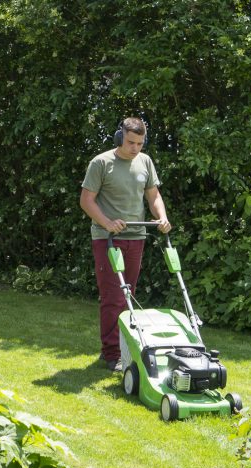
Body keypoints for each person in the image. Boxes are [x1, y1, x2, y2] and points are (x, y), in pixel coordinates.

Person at [80, 117, 172, 372]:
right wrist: (107, 222)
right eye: (130, 142)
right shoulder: (101, 163)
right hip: (107, 238)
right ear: (120, 137)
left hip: (137, 236)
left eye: (140, 143)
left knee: (128, 295)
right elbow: (87, 201)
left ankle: (122, 347)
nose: (135, 148)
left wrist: (161, 217)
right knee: (113, 296)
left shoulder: (145, 162)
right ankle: (111, 354)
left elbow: (153, 196)